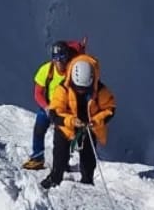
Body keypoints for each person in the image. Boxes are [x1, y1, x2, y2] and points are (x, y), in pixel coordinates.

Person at [41, 53, 115, 189]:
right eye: (78, 88)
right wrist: (71, 121)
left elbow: (110, 109)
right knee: (60, 152)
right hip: (67, 126)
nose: (81, 91)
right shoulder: (63, 88)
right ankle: (55, 177)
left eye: (84, 89)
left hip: (89, 126)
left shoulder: (100, 90)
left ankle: (87, 180)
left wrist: (96, 121)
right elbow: (55, 112)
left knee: (88, 155)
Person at [24, 39, 85, 170]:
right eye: (56, 58)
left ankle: (62, 162)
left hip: (65, 108)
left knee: (63, 137)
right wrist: (47, 108)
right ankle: (38, 158)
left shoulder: (73, 71)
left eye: (62, 57)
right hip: (48, 105)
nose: (59, 61)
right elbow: (38, 93)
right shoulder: (46, 70)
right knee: (39, 130)